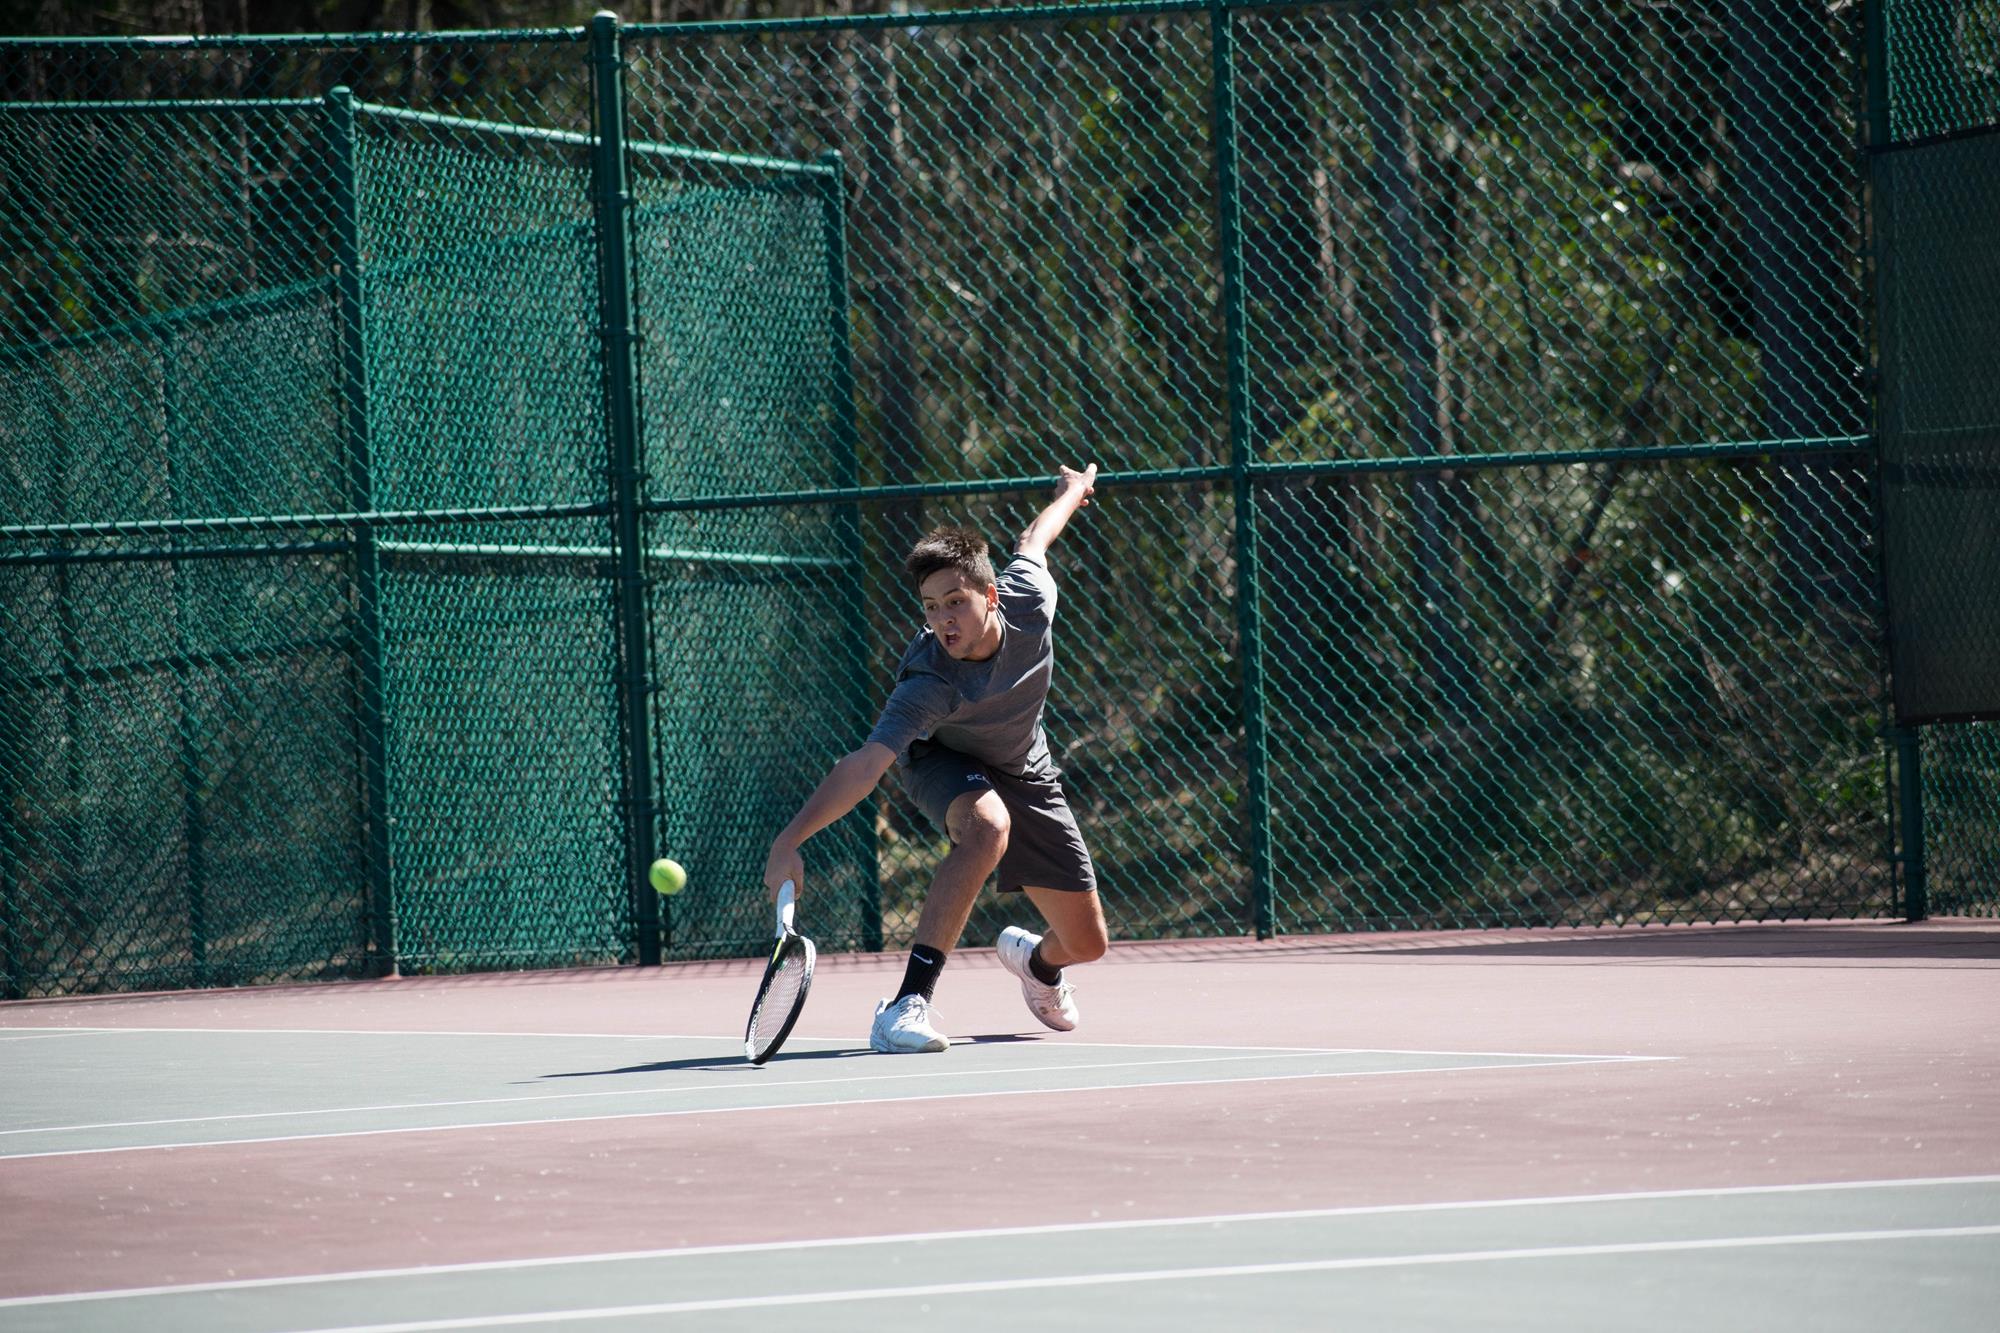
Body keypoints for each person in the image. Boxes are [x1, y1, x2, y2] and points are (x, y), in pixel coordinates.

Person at [763, 464, 1109, 1053]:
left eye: (955, 602)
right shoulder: (927, 680)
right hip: (943, 761)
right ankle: (905, 1005)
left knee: (1088, 943)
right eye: (929, 607)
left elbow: (1034, 541)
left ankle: (1037, 966)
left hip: (1025, 761)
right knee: (986, 826)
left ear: (992, 596)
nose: (943, 620)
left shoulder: (1032, 603)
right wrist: (789, 840)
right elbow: (866, 764)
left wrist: (1072, 493)